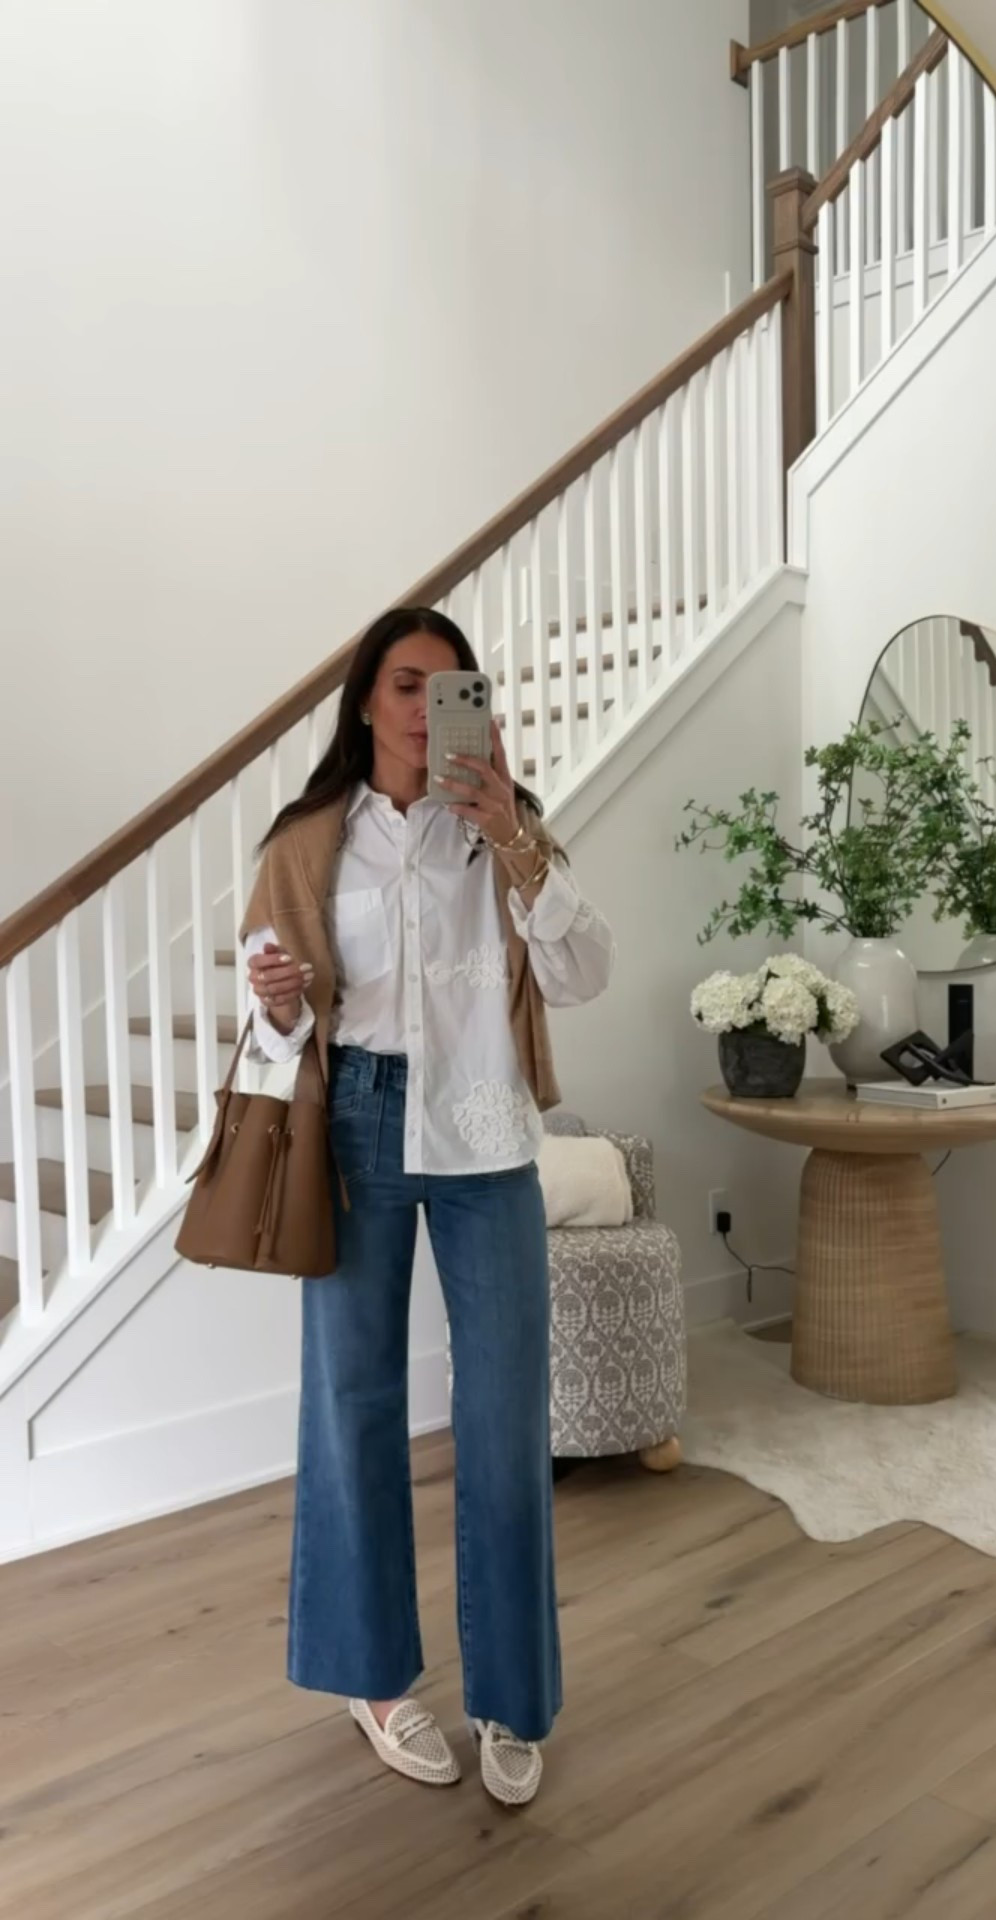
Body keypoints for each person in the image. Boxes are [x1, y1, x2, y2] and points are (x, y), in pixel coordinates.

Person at [242, 606, 614, 1807]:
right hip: (354, 1120)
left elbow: (584, 973)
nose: (424, 709)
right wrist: (279, 1004)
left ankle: (511, 1696)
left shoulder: (505, 828)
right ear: (365, 701)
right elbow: (274, 1026)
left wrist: (511, 834)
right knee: (352, 1403)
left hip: (485, 1123)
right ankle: (373, 1680)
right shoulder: (310, 840)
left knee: (504, 1413)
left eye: (450, 690)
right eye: (405, 686)